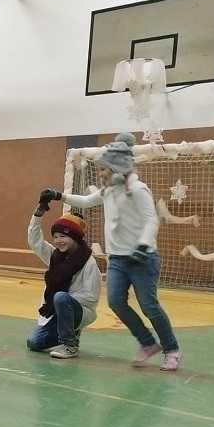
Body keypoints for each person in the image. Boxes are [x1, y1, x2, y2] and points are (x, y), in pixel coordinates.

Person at [40, 132, 182, 371]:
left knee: (149, 305)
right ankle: (148, 343)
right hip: (117, 260)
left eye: (104, 169)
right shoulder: (108, 191)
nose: (100, 174)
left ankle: (172, 349)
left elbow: (151, 220)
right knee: (116, 302)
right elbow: (86, 201)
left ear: (118, 169)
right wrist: (59, 195)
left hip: (142, 259)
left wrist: (144, 244)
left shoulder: (138, 190)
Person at [26, 208, 101, 359]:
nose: (58, 240)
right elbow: (35, 241)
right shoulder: (55, 256)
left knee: (60, 297)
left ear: (75, 237)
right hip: (58, 312)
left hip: (80, 311)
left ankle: (70, 345)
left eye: (63, 236)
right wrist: (38, 214)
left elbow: (91, 297)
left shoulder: (89, 263)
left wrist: (63, 300)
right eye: (55, 236)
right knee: (34, 342)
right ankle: (69, 332)